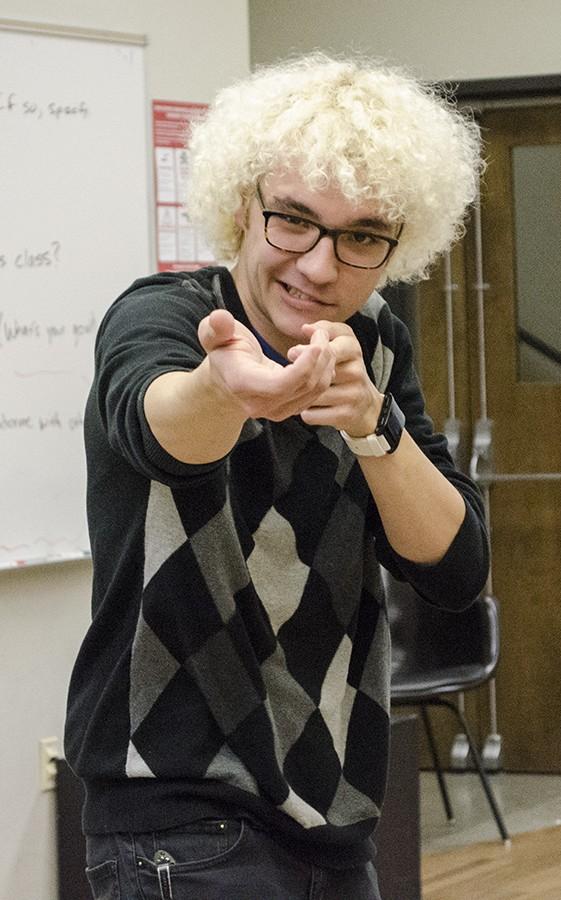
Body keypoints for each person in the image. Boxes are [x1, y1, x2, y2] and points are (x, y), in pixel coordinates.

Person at [65, 53, 489, 900]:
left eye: (361, 236)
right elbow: (156, 429)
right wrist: (227, 389)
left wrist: (374, 427)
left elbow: (452, 568)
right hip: (178, 818)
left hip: (334, 818)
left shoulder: (374, 342)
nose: (321, 267)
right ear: (239, 209)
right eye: (291, 221)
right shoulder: (166, 317)